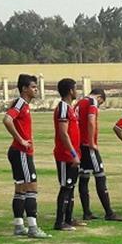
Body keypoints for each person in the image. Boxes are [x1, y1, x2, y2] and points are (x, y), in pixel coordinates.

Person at [2, 74, 51, 238]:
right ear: (24, 88)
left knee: (20, 189)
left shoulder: (23, 104)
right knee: (32, 187)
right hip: (21, 152)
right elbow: (7, 119)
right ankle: (33, 228)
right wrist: (21, 139)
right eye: (33, 87)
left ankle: (18, 226)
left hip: (18, 152)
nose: (36, 89)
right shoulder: (21, 103)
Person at [76, 88, 122, 222]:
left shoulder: (79, 102)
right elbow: (91, 120)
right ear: (99, 97)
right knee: (100, 176)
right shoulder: (92, 102)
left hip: (79, 144)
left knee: (84, 177)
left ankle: (87, 212)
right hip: (88, 144)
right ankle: (109, 212)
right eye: (101, 102)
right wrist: (92, 142)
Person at [52, 78, 84, 231]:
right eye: (76, 88)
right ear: (71, 91)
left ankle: (69, 218)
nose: (77, 91)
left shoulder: (70, 108)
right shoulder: (63, 108)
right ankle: (60, 222)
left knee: (71, 186)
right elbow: (63, 134)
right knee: (65, 186)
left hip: (73, 154)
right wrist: (72, 153)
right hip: (65, 156)